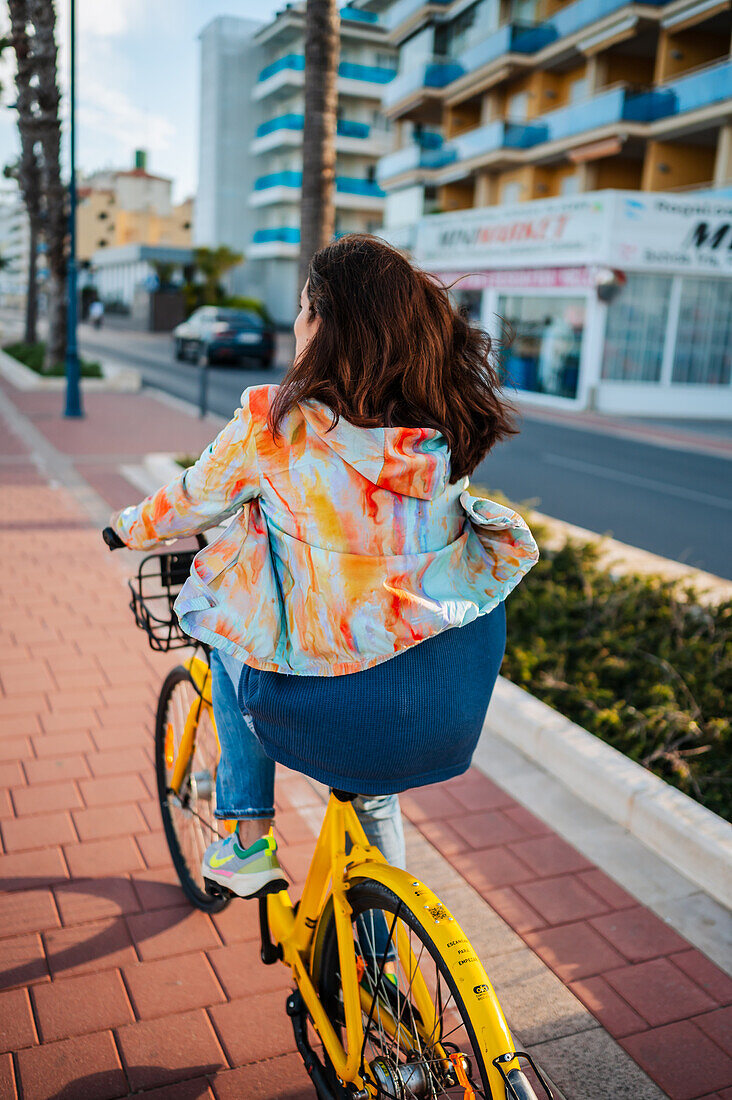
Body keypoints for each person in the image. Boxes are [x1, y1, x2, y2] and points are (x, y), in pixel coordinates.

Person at [110, 235, 539, 900]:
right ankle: (380, 977)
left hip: (332, 699)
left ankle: (248, 839)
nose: (296, 322)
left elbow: (189, 503)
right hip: (438, 697)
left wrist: (123, 529)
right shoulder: (441, 425)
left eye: (307, 308)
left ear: (331, 325)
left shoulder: (273, 423)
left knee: (228, 637)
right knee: (372, 803)